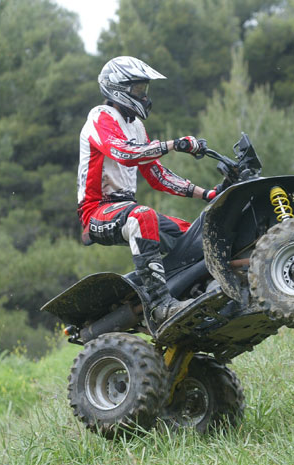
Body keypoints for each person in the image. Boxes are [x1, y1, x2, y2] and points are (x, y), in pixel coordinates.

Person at [77, 56, 219, 323]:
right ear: (118, 88)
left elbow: (157, 175)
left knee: (194, 235)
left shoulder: (135, 125)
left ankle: (194, 297)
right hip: (97, 211)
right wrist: (174, 144)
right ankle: (159, 305)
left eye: (144, 90)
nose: (144, 96)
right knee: (143, 216)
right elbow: (125, 153)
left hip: (125, 208)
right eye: (138, 90)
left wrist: (207, 194)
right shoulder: (101, 117)